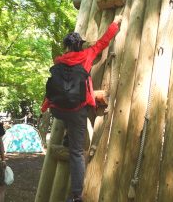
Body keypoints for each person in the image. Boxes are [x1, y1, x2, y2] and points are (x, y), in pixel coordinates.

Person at [41, 16, 122, 202]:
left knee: (68, 122)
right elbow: (103, 41)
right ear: (80, 45)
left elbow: (52, 87)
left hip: (58, 110)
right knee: (77, 153)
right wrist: (115, 23)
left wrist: (45, 107)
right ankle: (77, 196)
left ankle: (68, 135)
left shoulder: (58, 61)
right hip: (78, 110)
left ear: (66, 46)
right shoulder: (87, 55)